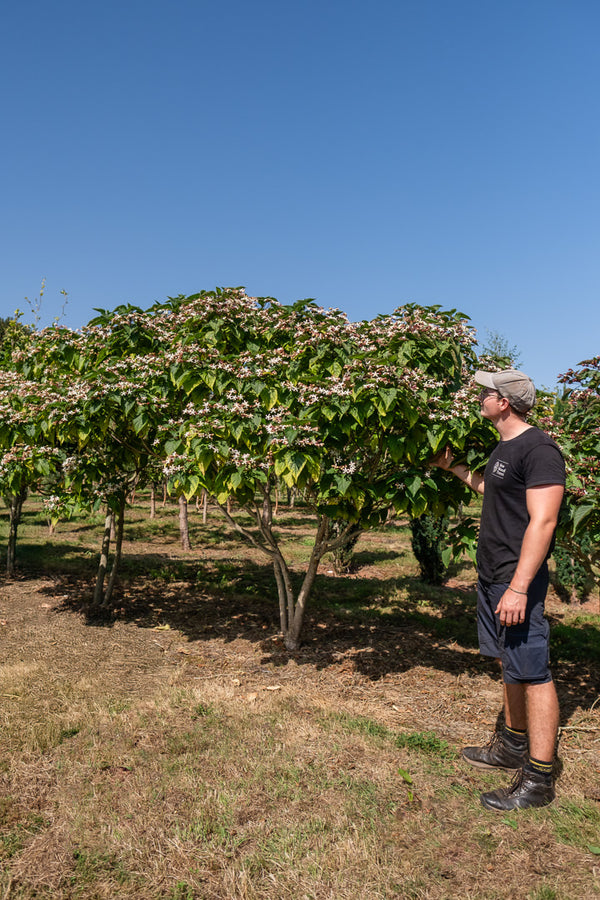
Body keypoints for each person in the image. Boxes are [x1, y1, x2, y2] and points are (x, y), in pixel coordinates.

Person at [432, 368, 565, 810]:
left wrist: (520, 587)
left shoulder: (540, 448)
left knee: (532, 671)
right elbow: (494, 490)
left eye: (486, 392)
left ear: (504, 402)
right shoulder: (505, 446)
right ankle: (511, 745)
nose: (480, 397)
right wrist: (450, 466)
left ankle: (540, 778)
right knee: (508, 660)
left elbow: (543, 520)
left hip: (516, 577)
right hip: (493, 573)